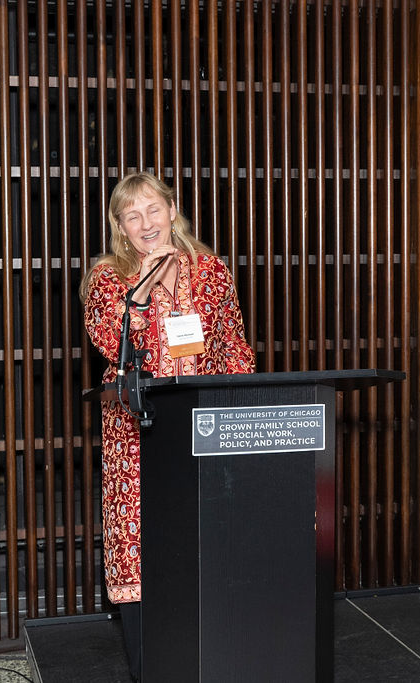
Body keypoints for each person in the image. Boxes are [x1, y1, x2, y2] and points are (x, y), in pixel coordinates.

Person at [81, 172, 255, 680]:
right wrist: (146, 284)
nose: (146, 223)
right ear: (120, 227)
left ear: (173, 209)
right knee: (141, 548)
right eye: (132, 216)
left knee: (207, 544)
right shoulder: (109, 278)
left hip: (207, 428)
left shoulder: (212, 271)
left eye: (153, 210)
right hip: (137, 434)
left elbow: (234, 347)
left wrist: (240, 412)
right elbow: (108, 338)